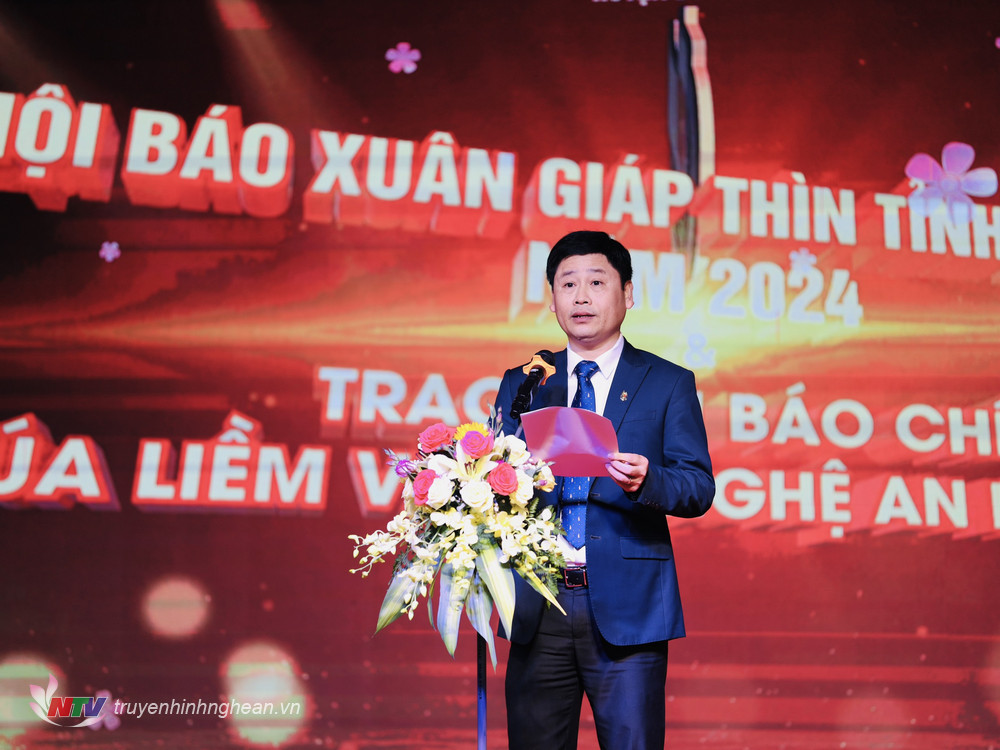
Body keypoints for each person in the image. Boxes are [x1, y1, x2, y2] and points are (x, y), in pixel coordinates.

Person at [494, 230, 715, 750]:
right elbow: (495, 474)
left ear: (627, 294)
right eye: (567, 284)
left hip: (627, 608)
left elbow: (698, 486)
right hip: (539, 603)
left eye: (596, 282)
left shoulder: (667, 382)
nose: (581, 296)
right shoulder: (526, 380)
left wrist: (648, 479)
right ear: (553, 300)